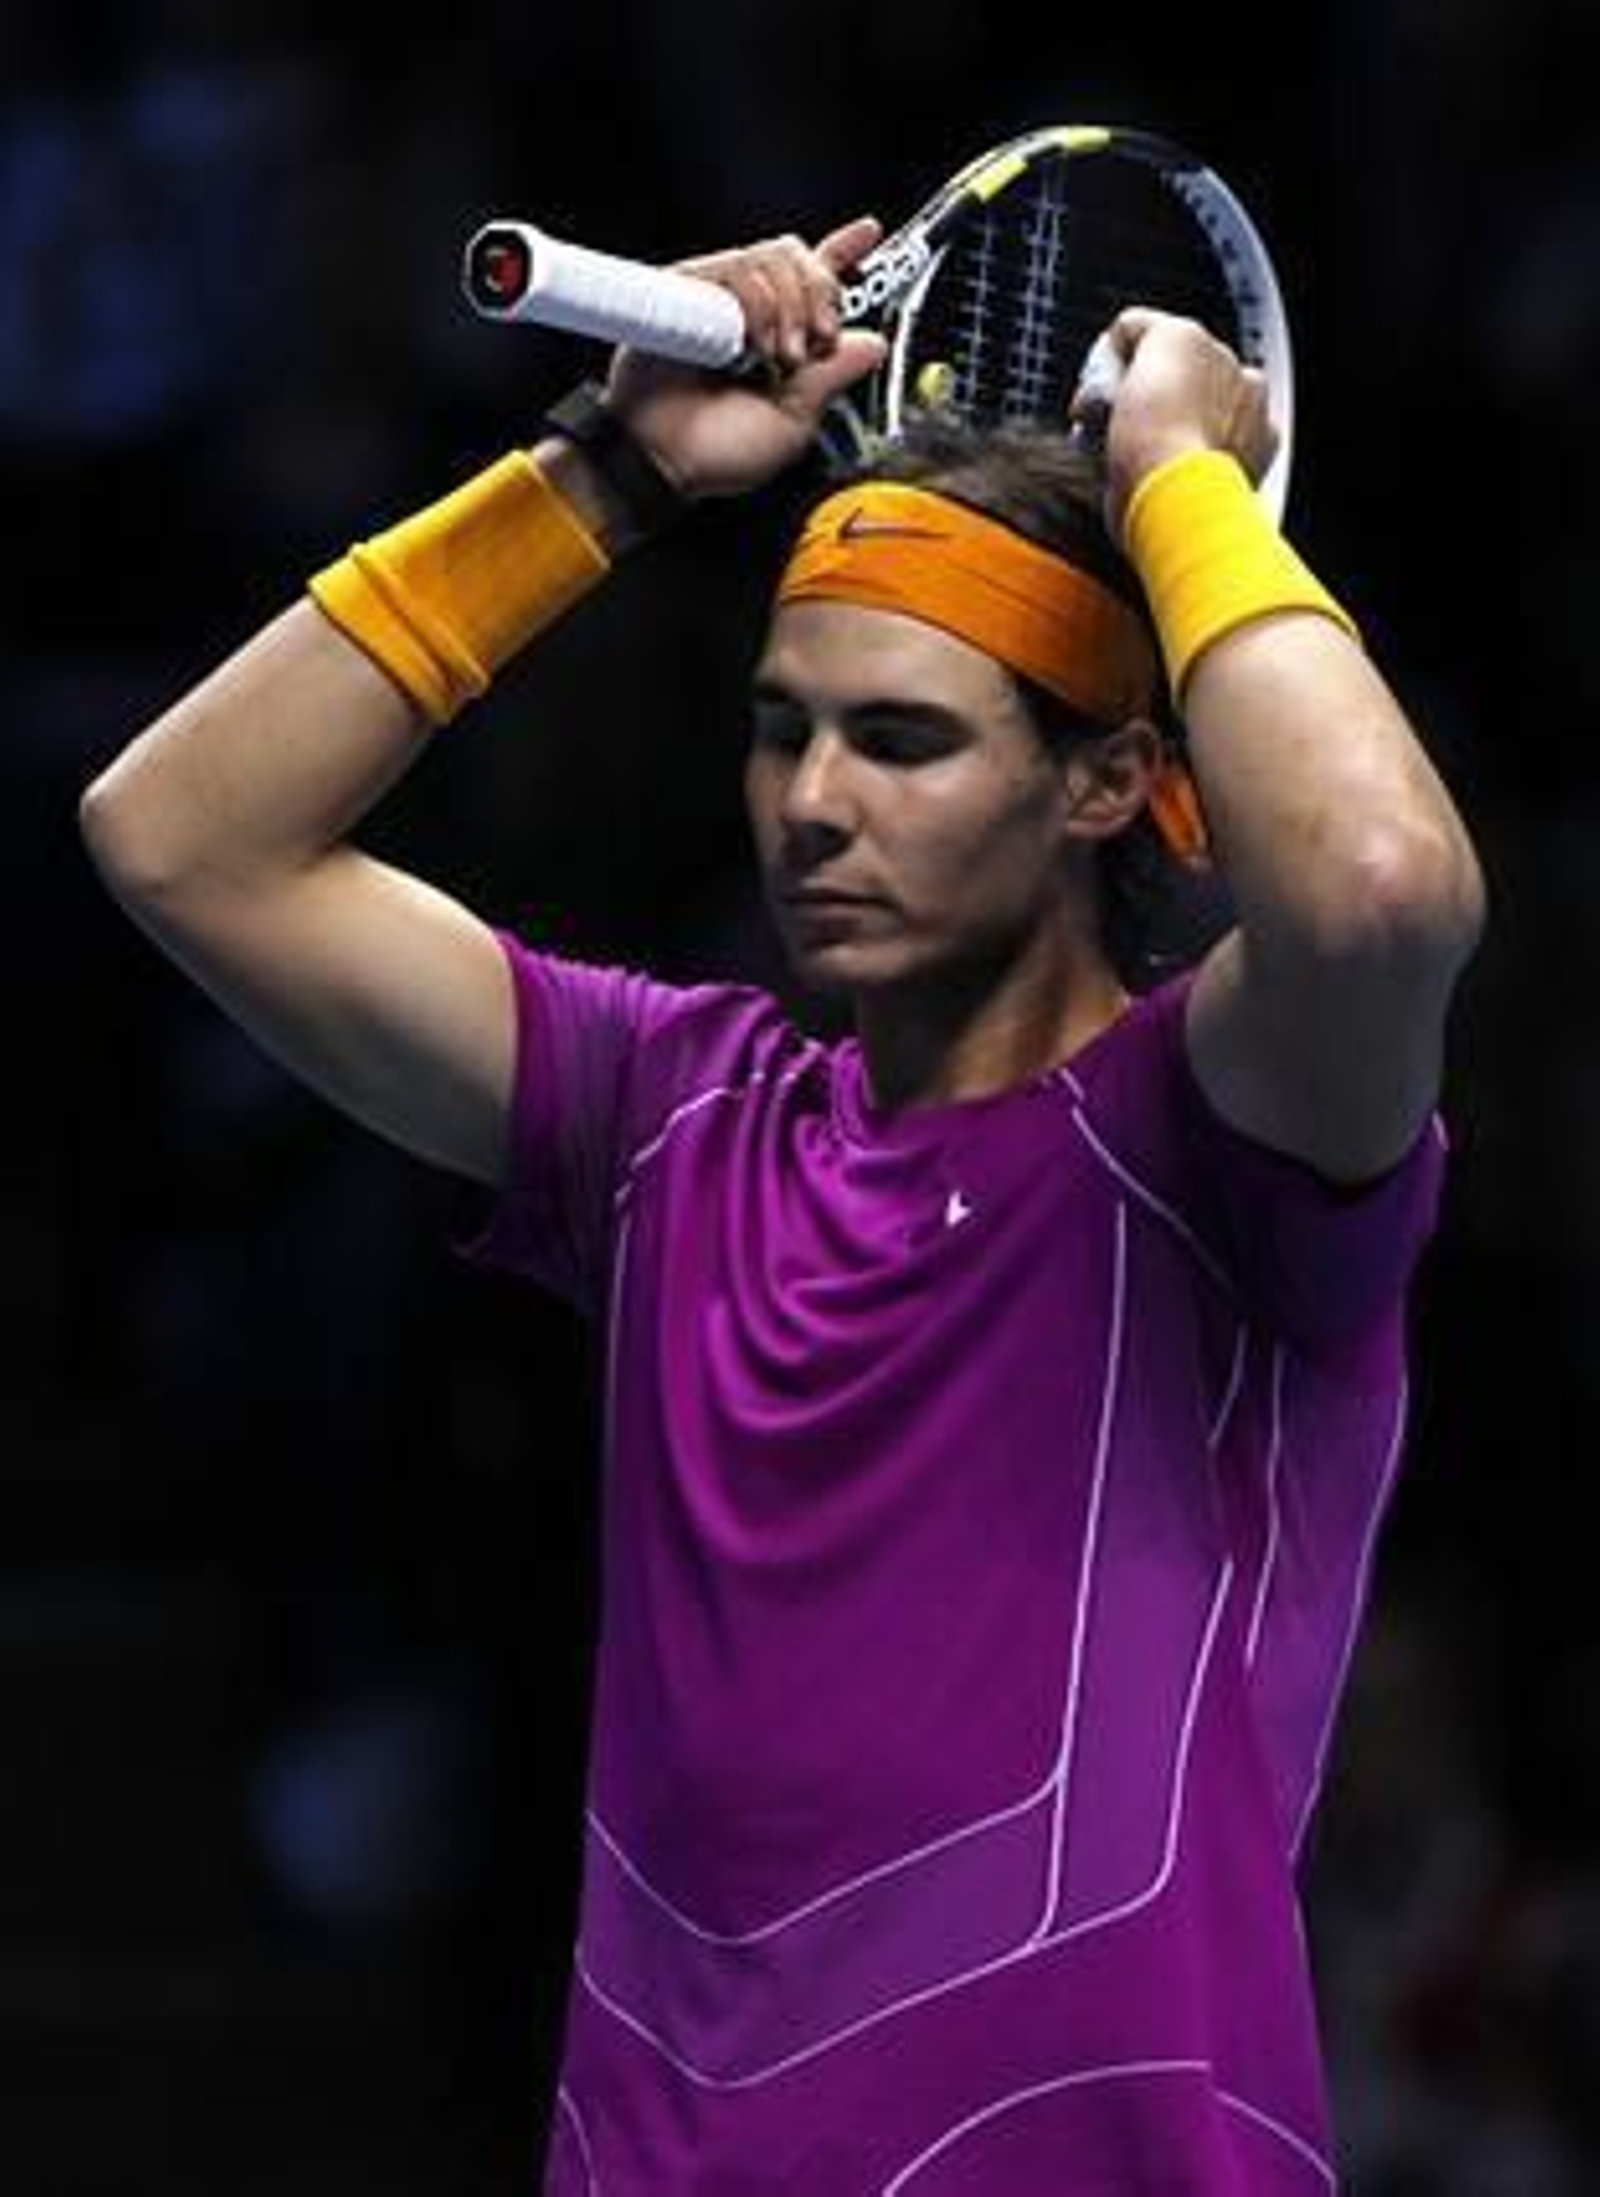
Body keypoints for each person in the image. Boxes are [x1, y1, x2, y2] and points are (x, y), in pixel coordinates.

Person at [80, 209, 1486, 2192]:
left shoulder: (1220, 1135)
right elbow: (179, 836)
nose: (813, 801)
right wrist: (605, 473)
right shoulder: (670, 1117)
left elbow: (1377, 883)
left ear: (1103, 781)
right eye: (782, 731)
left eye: (899, 740)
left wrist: (1178, 481)